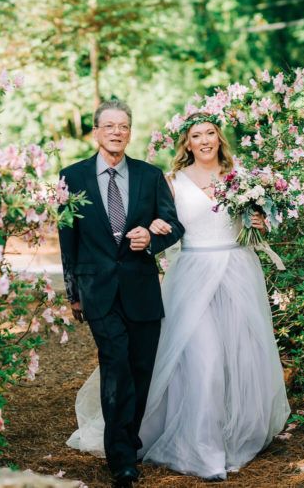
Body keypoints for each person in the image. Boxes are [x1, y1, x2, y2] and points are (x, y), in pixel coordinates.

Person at [67, 112, 290, 481]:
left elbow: (261, 221)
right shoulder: (169, 180)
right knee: (204, 361)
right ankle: (203, 450)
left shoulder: (242, 179)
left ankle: (233, 435)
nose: (204, 141)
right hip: (193, 278)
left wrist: (260, 222)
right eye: (196, 135)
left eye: (211, 134)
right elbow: (163, 220)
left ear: (220, 138)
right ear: (186, 143)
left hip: (236, 274)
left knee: (242, 359)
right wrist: (154, 229)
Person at [59, 99, 185, 487]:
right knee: (116, 366)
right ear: (96, 132)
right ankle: (122, 459)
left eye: (124, 126)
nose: (117, 132)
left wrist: (150, 238)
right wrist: (73, 293)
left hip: (142, 289)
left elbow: (175, 225)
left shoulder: (150, 176)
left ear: (130, 132)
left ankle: (127, 438)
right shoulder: (72, 176)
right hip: (97, 290)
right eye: (109, 126)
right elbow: (68, 237)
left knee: (141, 370)